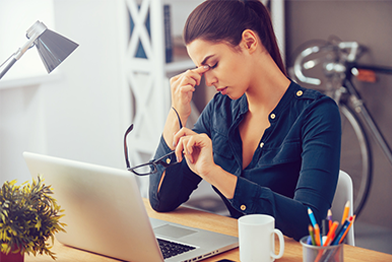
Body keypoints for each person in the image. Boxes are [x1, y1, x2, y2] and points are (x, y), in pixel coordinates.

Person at [148, 0, 341, 241]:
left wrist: (214, 173)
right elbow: (161, 200)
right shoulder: (220, 110)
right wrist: (177, 112)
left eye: (213, 64)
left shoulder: (316, 113)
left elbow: (308, 220)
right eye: (202, 69)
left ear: (249, 42)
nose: (208, 81)